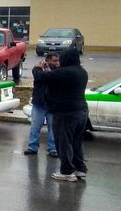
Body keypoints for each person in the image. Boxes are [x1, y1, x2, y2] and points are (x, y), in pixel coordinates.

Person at [34, 47, 89, 182]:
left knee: (63, 142)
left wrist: (37, 68)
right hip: (82, 111)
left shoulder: (65, 72)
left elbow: (41, 77)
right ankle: (80, 168)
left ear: (66, 59)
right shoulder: (82, 72)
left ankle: (66, 171)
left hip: (65, 113)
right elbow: (56, 78)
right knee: (76, 142)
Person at [24, 53, 59, 157]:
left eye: (58, 61)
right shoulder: (37, 69)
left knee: (53, 128)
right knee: (35, 126)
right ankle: (32, 147)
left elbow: (54, 79)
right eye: (54, 61)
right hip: (39, 104)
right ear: (47, 61)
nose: (57, 63)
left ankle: (53, 149)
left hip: (52, 105)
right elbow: (40, 76)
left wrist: (49, 73)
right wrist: (47, 73)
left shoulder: (59, 71)